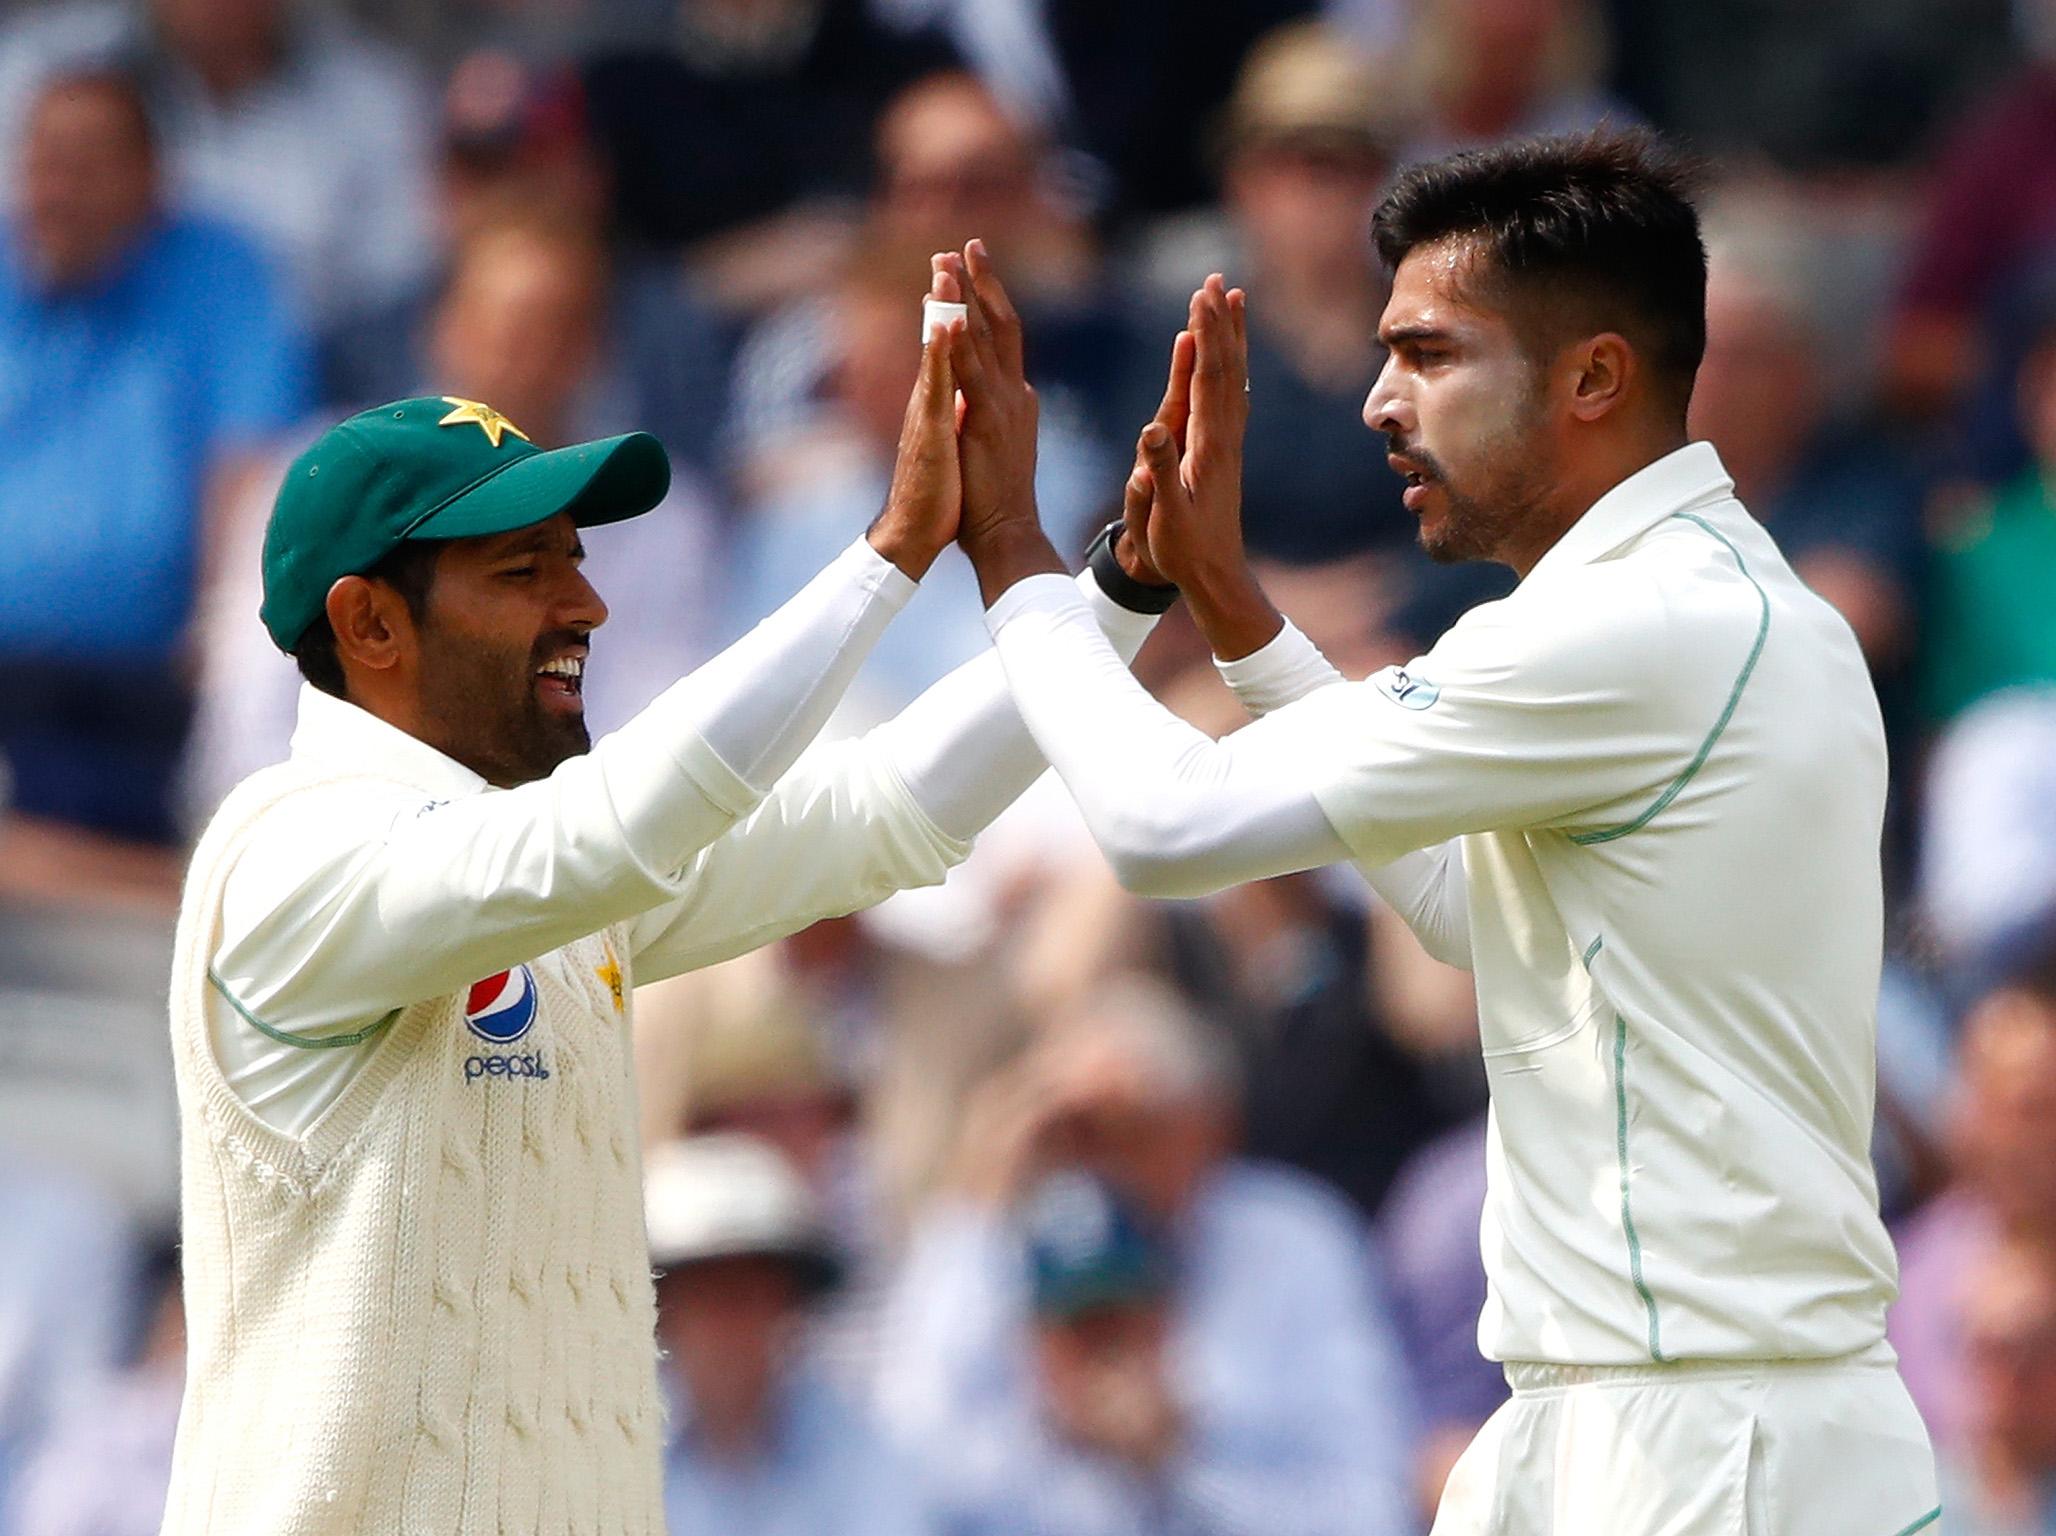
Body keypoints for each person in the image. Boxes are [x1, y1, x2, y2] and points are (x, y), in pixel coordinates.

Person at [935, 129, 1940, 1534]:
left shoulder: (1630, 629)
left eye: (1429, 355)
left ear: (1594, 375)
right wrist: (1231, 611)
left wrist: (1017, 559)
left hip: (1712, 1454)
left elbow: (1163, 829)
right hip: (1663, 1427)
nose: (1376, 403)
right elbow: (1474, 919)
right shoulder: (1713, 606)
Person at [161, 260, 1178, 1533]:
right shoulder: (283, 859)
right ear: (369, 624)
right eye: (522, 572)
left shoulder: (551, 871)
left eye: (574, 561)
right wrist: (893, 549)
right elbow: (618, 826)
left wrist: (1127, 584)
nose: (587, 602)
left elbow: (885, 814)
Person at [878, 977, 1416, 1535]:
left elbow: (1372, 1512)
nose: (1102, 1160)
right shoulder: (1008, 1245)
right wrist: (982, 1208)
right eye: (1077, 1133)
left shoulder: (1293, 1241)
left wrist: (1179, 1462)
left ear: (1207, 1123)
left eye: (1130, 1129)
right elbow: (906, 1470)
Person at [0, 66, 307, 848]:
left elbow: (250, 464)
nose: (56, 192)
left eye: (85, 166)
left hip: (152, 678)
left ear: (150, 175)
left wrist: (221, 634)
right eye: (43, 164)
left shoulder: (220, 272)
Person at [643, 1134, 925, 1536]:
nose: (733, 1327)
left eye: (752, 1296)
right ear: (662, 1310)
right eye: (710, 1296)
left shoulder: (857, 1448)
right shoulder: (615, 1447)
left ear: (788, 1306)